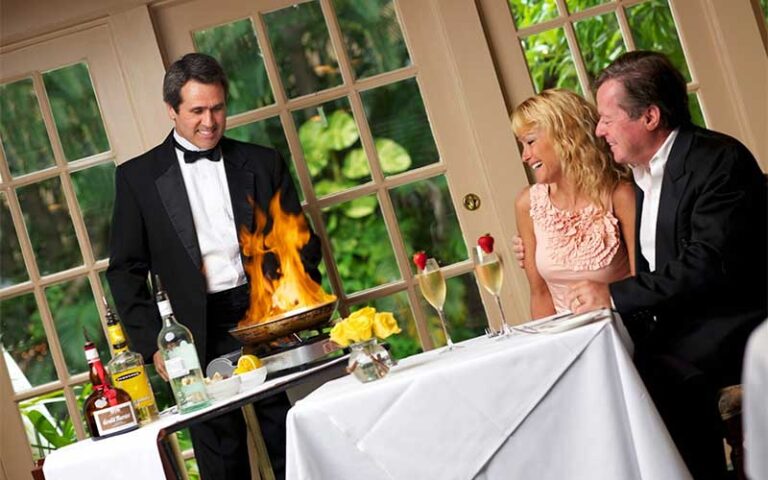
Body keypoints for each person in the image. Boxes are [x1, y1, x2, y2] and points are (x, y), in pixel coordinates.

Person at [515, 51, 766, 479]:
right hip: (683, 324)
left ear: (649, 117)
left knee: (641, 380)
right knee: (595, 379)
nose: (598, 131)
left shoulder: (716, 160)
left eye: (608, 120)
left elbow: (705, 264)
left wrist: (611, 295)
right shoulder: (643, 174)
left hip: (734, 324)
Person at [107, 53, 321, 480]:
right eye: (197, 111)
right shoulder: (137, 178)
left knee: (292, 439)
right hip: (193, 331)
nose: (210, 121)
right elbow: (125, 269)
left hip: (266, 315)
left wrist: (293, 303)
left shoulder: (262, 162)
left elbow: (302, 244)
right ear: (172, 110)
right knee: (221, 461)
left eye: (218, 108)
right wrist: (155, 345)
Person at [512, 89, 636, 319]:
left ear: (565, 137)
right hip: (566, 341)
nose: (525, 156)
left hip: (626, 333)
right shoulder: (527, 204)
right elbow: (540, 295)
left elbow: (643, 283)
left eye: (530, 142)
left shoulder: (621, 196)